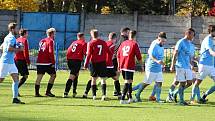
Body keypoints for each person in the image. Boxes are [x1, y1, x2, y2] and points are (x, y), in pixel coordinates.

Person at [133, 32, 167, 103]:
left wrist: (162, 64)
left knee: (159, 82)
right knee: (146, 83)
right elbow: (151, 55)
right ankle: (137, 94)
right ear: (158, 39)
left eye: (164, 41)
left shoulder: (161, 45)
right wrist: (157, 61)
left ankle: (158, 99)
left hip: (158, 68)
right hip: (151, 67)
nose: (163, 43)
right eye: (162, 41)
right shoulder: (154, 44)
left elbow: (161, 56)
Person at [166, 31, 196, 103]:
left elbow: (190, 56)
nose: (193, 36)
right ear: (187, 34)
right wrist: (172, 65)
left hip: (187, 67)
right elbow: (175, 53)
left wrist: (193, 63)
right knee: (181, 83)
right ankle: (181, 101)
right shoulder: (181, 42)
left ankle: (174, 93)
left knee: (189, 83)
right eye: (192, 35)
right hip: (180, 66)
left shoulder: (190, 44)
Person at [0, 22, 25, 104]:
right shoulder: (11, 38)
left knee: (16, 79)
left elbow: (1, 47)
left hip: (11, 62)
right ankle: (15, 98)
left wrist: (16, 46)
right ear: (12, 29)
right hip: (6, 62)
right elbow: (9, 49)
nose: (18, 30)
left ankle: (15, 98)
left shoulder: (8, 37)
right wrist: (19, 49)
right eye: (16, 28)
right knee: (1, 80)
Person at [191, 25, 215, 103]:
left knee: (197, 83)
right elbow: (211, 51)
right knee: (197, 83)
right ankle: (192, 99)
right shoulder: (208, 39)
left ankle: (204, 95)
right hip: (203, 65)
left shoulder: (212, 39)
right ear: (212, 32)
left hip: (211, 66)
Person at [117, 30, 143, 104]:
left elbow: (118, 55)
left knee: (129, 82)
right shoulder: (134, 44)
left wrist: (119, 65)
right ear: (135, 36)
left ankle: (130, 98)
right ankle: (122, 99)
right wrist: (142, 66)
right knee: (127, 82)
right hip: (129, 65)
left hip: (122, 65)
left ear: (129, 35)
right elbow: (139, 57)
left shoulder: (123, 43)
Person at [84, 29, 109, 100]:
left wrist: (85, 64)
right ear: (98, 34)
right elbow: (109, 52)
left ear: (92, 35)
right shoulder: (104, 42)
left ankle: (94, 96)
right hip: (102, 62)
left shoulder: (90, 43)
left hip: (94, 63)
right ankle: (103, 95)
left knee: (93, 79)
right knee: (103, 79)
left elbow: (88, 55)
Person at [63, 32, 87, 98]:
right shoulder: (83, 43)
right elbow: (86, 53)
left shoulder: (74, 42)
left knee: (76, 75)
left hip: (70, 60)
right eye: (84, 37)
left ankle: (74, 91)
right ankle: (66, 92)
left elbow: (68, 51)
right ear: (82, 37)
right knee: (72, 76)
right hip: (76, 61)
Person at [34, 28, 56, 97]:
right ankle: (48, 92)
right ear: (52, 34)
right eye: (54, 33)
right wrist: (53, 62)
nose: (55, 35)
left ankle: (36, 93)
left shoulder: (42, 41)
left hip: (39, 61)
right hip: (47, 62)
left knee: (39, 77)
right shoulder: (51, 41)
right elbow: (50, 52)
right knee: (53, 75)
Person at [112, 27, 130, 96]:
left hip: (115, 58)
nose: (129, 34)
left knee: (116, 76)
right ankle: (124, 92)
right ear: (124, 32)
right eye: (128, 32)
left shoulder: (119, 38)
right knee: (120, 76)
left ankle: (116, 91)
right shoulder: (125, 40)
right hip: (117, 59)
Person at [14, 28, 30, 96]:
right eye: (27, 33)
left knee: (16, 76)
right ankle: (16, 89)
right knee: (25, 76)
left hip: (15, 59)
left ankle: (15, 90)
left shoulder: (17, 39)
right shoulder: (25, 40)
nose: (28, 34)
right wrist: (27, 61)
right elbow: (25, 51)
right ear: (25, 33)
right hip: (21, 60)